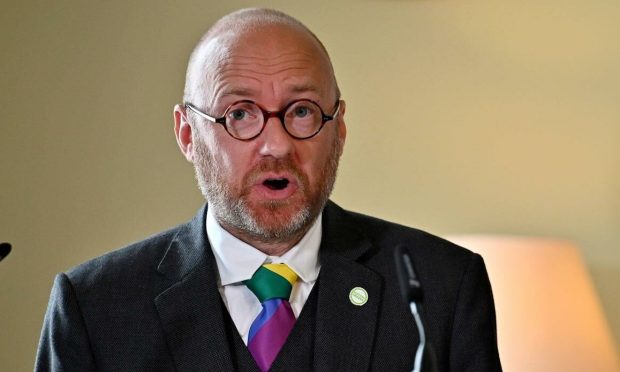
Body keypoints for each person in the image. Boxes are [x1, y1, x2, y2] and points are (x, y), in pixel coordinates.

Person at [35, 8, 502, 372]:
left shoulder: (442, 287)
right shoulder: (96, 306)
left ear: (338, 130)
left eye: (301, 111)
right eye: (239, 114)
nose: (275, 145)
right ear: (187, 135)